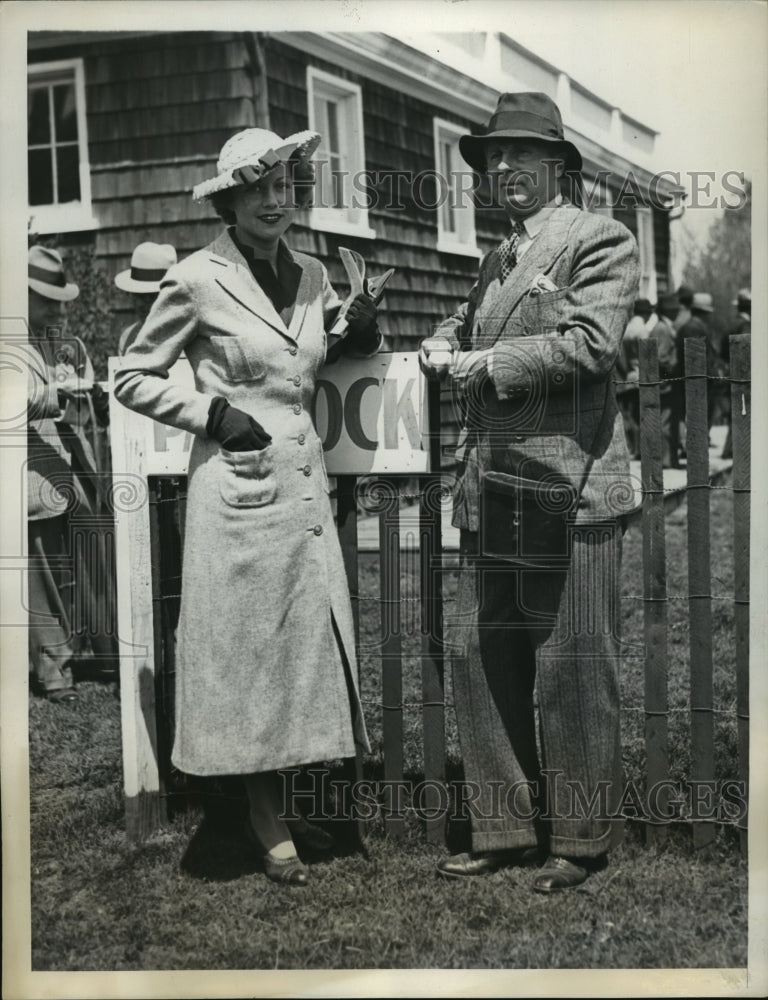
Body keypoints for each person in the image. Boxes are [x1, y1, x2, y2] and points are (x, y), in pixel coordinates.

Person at [114, 127, 378, 887]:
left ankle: (291, 802)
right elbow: (133, 376)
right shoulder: (198, 278)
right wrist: (211, 413)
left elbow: (308, 356)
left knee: (301, 652)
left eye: (284, 186)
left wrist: (357, 331)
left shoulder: (311, 274)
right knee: (250, 654)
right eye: (256, 188)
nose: (273, 201)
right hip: (236, 494)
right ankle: (264, 817)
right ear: (228, 202)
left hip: (301, 495)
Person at [420, 92, 639, 893]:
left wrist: (490, 364)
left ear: (557, 167)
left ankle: (578, 841)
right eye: (492, 158)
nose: (504, 167)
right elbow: (467, 323)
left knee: (574, 663)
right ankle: (505, 829)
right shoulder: (498, 257)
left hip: (569, 487)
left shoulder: (598, 238)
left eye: (520, 154)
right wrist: (442, 340)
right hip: (494, 488)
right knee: (481, 655)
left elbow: (591, 343)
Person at [26, 246, 117, 701]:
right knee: (41, 573)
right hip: (27, 471)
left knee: (89, 561)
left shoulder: (62, 343)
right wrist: (55, 394)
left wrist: (94, 396)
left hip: (69, 466)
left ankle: (105, 653)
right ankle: (55, 671)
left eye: (60, 301)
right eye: (47, 301)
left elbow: (80, 398)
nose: (58, 311)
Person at [115, 241, 178, 354]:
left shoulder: (187, 335)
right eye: (137, 295)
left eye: (150, 296)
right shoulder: (128, 338)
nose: (140, 304)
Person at [615, 298, 652, 459]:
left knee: (628, 414)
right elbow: (648, 355)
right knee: (641, 414)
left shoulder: (626, 329)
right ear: (648, 313)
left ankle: (632, 448)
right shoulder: (642, 330)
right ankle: (640, 449)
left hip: (627, 376)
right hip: (640, 374)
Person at [676, 291, 716, 439]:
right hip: (698, 379)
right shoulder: (694, 328)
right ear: (704, 312)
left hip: (698, 378)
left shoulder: (691, 326)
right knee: (699, 414)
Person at [650, 292, 682, 467]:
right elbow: (661, 357)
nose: (677, 312)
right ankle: (665, 459)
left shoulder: (663, 326)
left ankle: (668, 458)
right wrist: (675, 368)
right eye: (674, 309)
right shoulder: (663, 328)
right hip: (665, 383)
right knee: (665, 421)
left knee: (667, 421)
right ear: (668, 311)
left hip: (665, 382)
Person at [720, 288, 750, 459]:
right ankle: (734, 450)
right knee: (742, 412)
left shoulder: (730, 324)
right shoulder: (745, 326)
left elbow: (723, 351)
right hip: (743, 375)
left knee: (736, 412)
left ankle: (730, 449)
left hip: (731, 372)